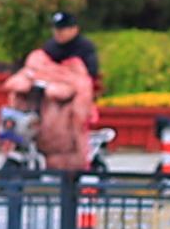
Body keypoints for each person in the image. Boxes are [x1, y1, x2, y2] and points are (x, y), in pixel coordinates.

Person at [10, 17, 102, 178]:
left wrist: (64, 78)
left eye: (62, 29)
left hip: (69, 96)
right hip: (44, 94)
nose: (58, 33)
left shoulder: (85, 48)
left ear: (74, 29)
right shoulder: (49, 47)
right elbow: (38, 65)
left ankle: (77, 159)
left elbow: (87, 77)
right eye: (55, 29)